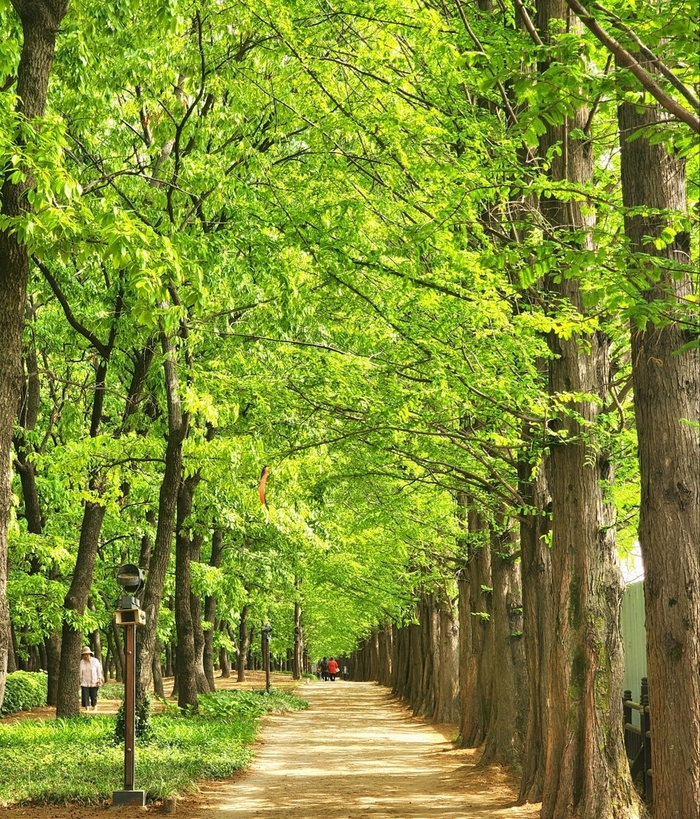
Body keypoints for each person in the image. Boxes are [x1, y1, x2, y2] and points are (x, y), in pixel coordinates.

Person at [79, 645, 104, 712]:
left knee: (93, 695)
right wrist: (80, 680)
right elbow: (80, 672)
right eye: (84, 654)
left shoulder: (95, 661)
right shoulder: (81, 662)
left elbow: (99, 670)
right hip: (84, 681)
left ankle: (95, 706)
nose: (86, 656)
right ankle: (87, 708)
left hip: (94, 681)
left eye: (87, 654)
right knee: (85, 695)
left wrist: (99, 678)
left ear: (90, 654)